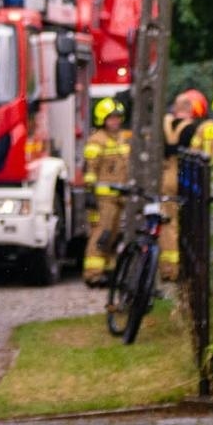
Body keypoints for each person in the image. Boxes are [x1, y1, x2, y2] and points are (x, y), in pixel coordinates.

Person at [82, 97, 130, 287]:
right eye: (111, 118)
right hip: (103, 198)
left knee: (114, 235)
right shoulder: (97, 140)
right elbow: (90, 169)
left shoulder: (122, 139)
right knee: (101, 234)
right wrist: (90, 193)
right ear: (102, 119)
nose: (115, 121)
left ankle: (108, 271)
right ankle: (93, 274)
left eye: (118, 118)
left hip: (119, 196)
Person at [158, 91, 206, 281]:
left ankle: (168, 269)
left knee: (168, 222)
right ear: (189, 109)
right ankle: (183, 267)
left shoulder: (163, 125)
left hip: (166, 174)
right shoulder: (192, 129)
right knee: (187, 222)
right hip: (185, 177)